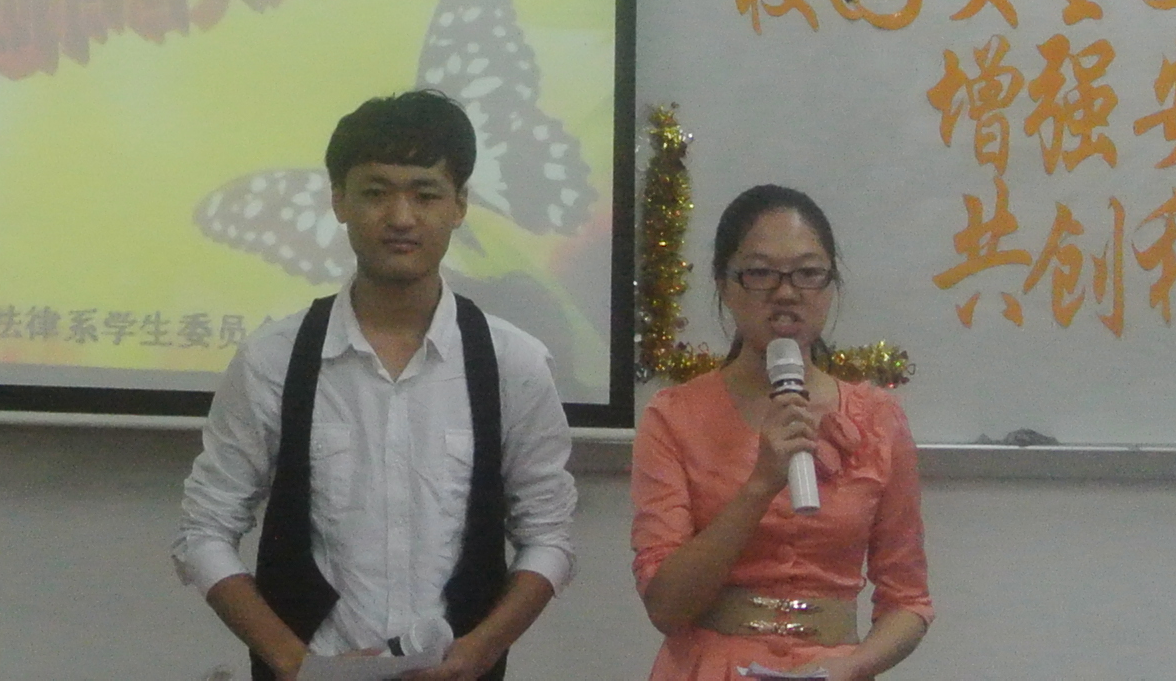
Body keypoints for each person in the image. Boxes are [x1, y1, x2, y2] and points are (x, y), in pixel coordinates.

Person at [179, 89, 580, 680]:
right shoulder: (274, 358)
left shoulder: (512, 362)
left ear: (460, 205)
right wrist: (293, 662)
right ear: (339, 200)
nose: (401, 217)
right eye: (375, 193)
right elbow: (204, 531)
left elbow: (549, 536)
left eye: (425, 194)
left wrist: (482, 649)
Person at [630, 185, 929, 681]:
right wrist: (759, 485)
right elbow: (666, 606)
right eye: (761, 273)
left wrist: (850, 667)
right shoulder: (674, 416)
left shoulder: (879, 419)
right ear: (725, 285)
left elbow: (909, 602)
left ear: (831, 286)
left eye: (808, 274)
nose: (786, 293)